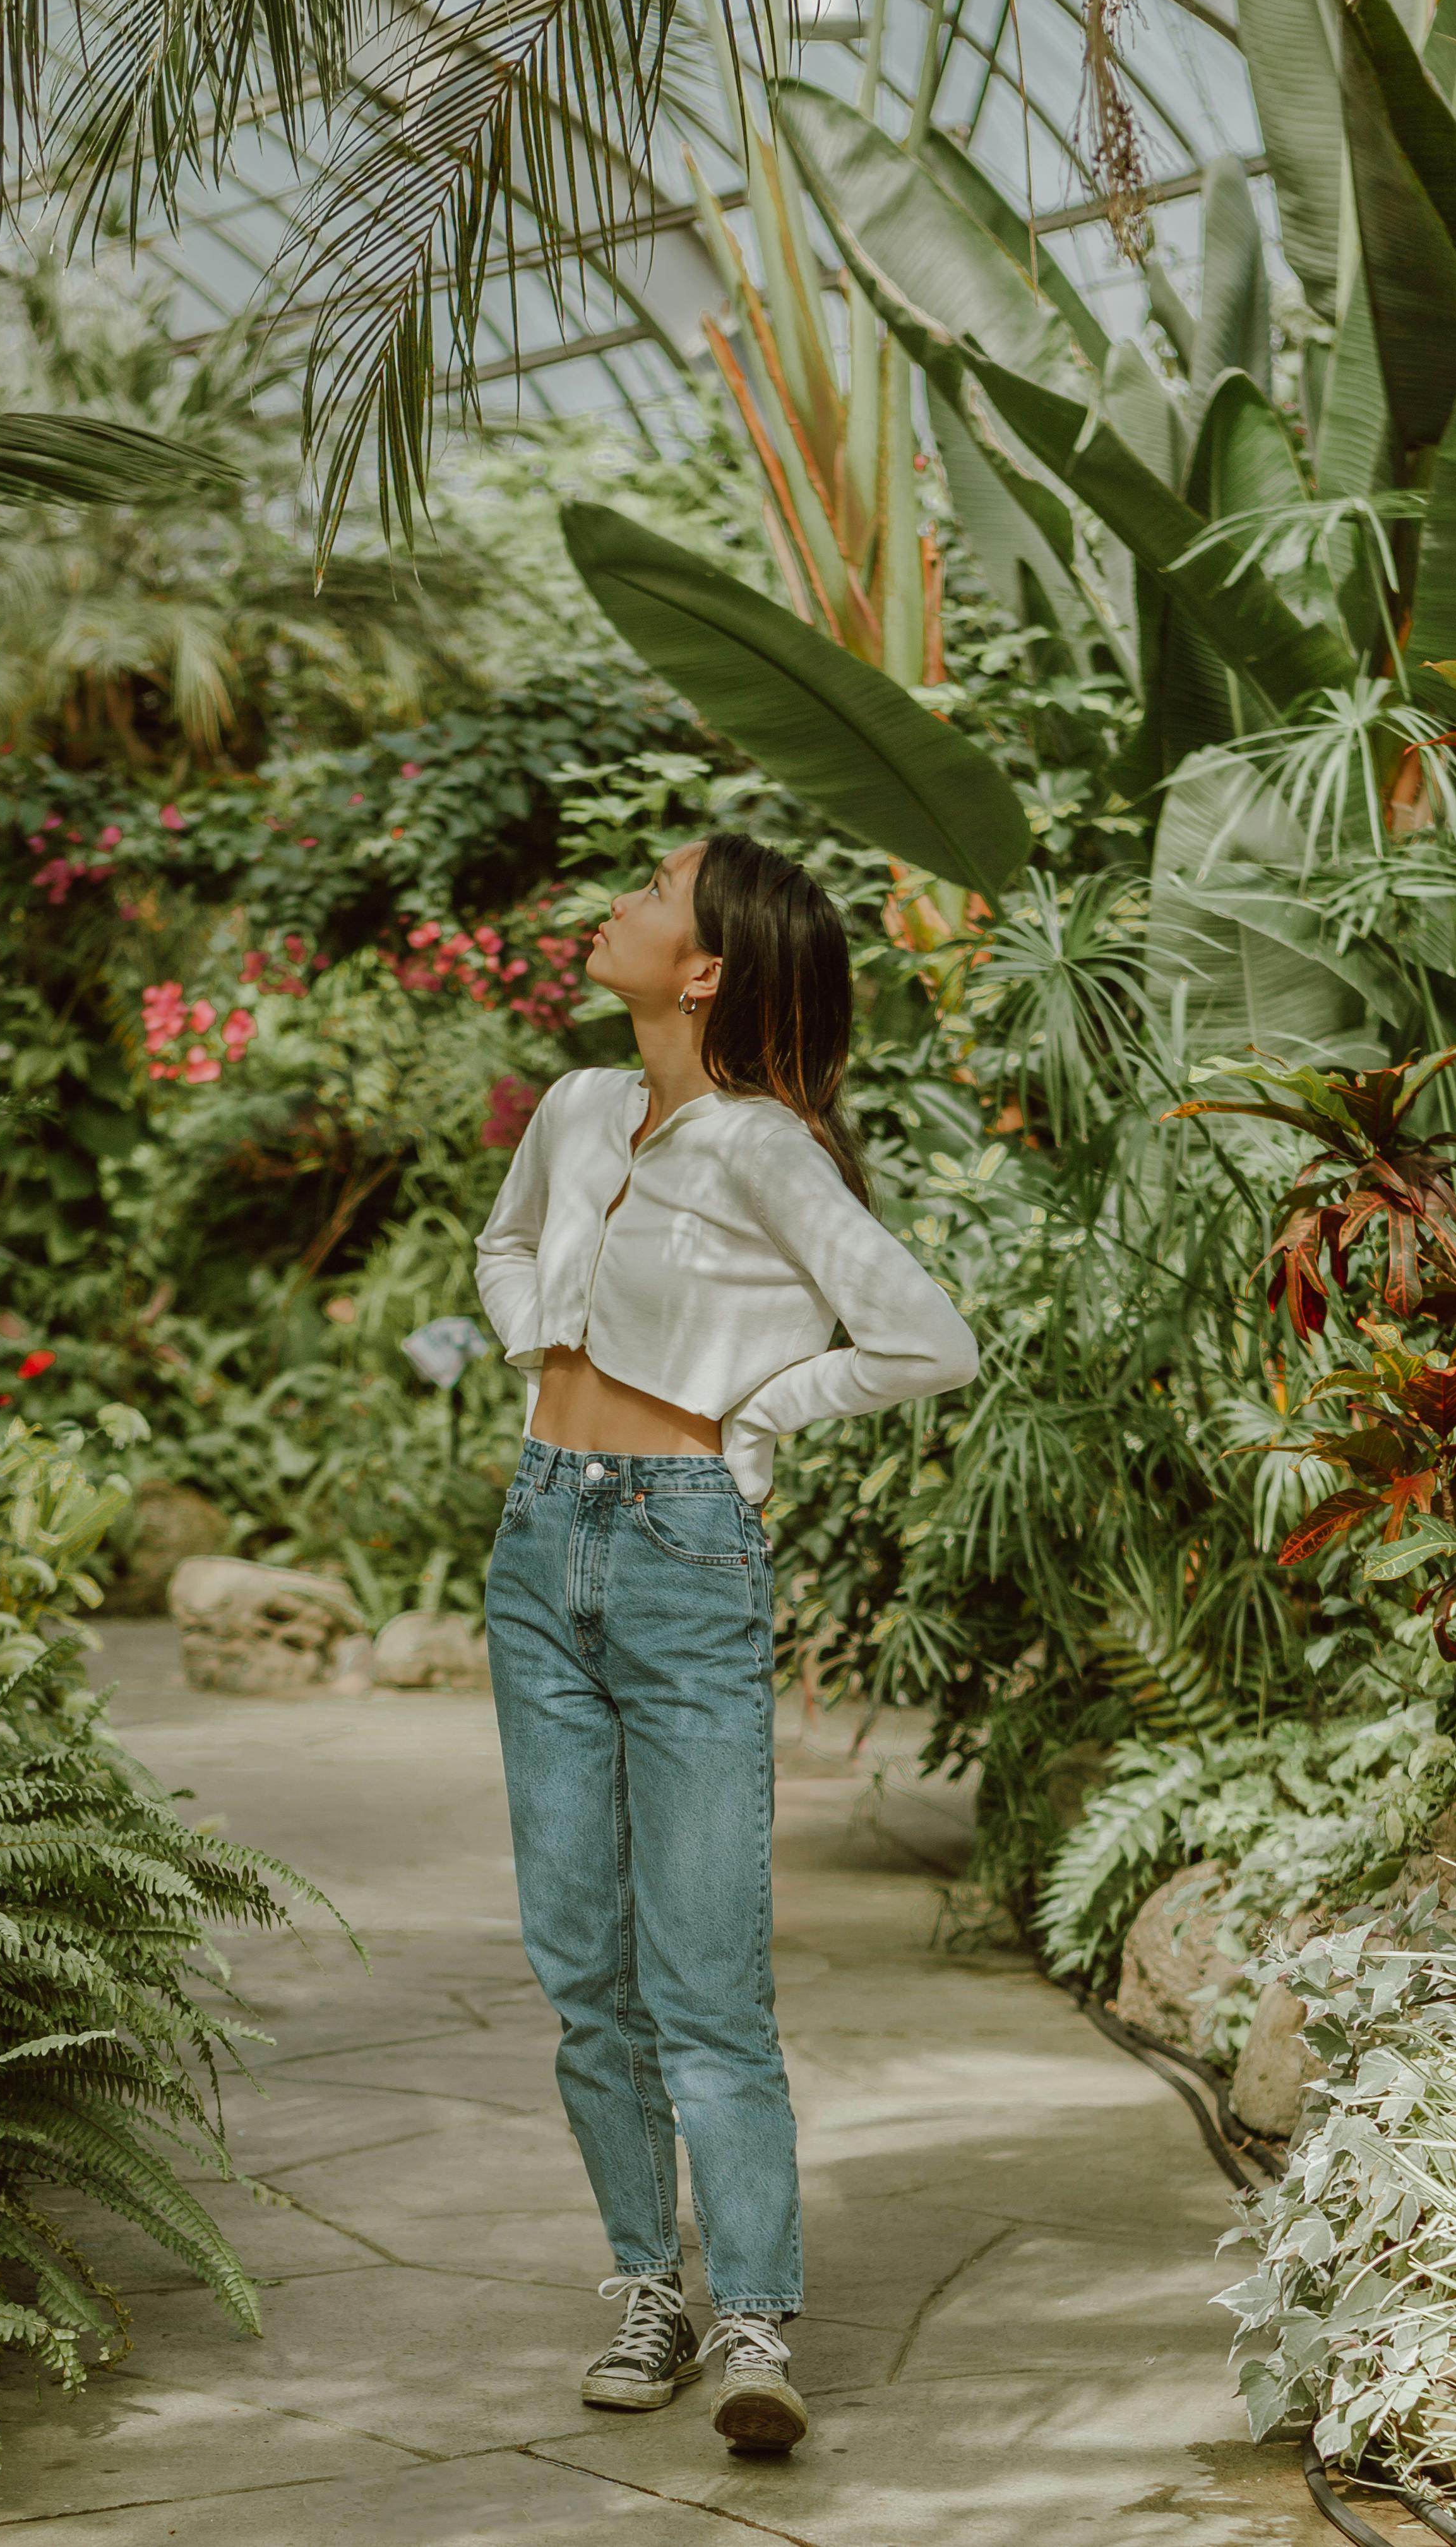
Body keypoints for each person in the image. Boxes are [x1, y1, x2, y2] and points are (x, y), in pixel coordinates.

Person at [474, 832, 978, 2456]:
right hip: (540, 1541)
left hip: (686, 1548)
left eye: (651, 894)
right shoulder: (571, 1110)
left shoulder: (767, 1148)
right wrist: (530, 1344)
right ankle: (649, 2282)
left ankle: (753, 2320)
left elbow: (923, 1337)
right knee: (580, 1959)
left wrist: (760, 1409)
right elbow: (500, 1249)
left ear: (706, 969)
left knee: (704, 1969)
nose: (613, 903)